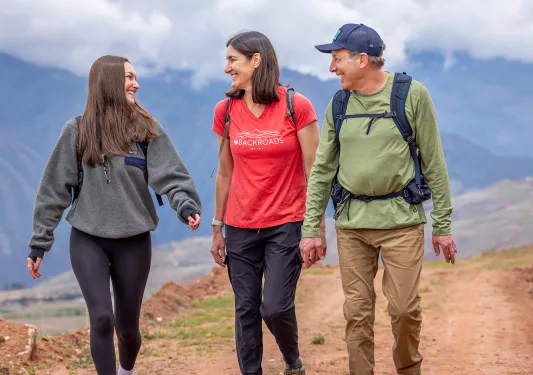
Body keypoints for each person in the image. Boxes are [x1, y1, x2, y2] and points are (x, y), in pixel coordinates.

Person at [27, 55, 202, 375]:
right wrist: (40, 242)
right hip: (88, 238)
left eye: (136, 77)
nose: (136, 83)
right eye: (129, 77)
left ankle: (127, 370)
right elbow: (53, 189)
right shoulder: (76, 130)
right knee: (101, 319)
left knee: (127, 329)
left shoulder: (146, 129)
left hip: (133, 240)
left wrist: (185, 205)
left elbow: (172, 176)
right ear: (107, 82)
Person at [299, 24, 458, 375]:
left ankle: (408, 369)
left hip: (401, 223)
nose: (331, 68)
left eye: (337, 59)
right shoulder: (339, 104)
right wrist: (312, 229)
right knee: (356, 313)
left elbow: (434, 162)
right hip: (352, 225)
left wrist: (442, 226)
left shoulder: (411, 95)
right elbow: (322, 170)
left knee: (403, 309)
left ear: (363, 60)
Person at [210, 31, 324, 375]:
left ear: (255, 60)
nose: (227, 67)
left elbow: (315, 169)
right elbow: (225, 173)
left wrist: (315, 227)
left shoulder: (296, 106)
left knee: (274, 307)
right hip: (240, 226)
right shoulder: (225, 110)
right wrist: (217, 228)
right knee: (245, 308)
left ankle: (292, 361)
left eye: (233, 59)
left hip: (286, 223)